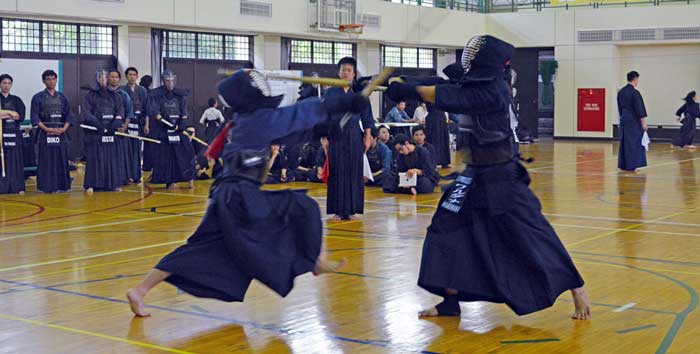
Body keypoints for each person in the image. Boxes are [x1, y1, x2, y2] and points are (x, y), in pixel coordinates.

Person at [126, 69, 368, 317]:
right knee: (301, 206)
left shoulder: (245, 120)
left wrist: (323, 129)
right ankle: (313, 261)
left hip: (226, 195)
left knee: (197, 248)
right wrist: (344, 99)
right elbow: (297, 115)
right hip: (239, 196)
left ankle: (140, 290)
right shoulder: (257, 120)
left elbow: (289, 131)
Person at [385, 35, 590, 320]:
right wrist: (396, 79)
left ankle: (575, 285)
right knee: (444, 227)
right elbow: (445, 84)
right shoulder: (479, 83)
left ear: (487, 59)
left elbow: (450, 96)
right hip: (471, 177)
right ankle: (450, 302)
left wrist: (406, 90)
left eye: (474, 52)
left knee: (531, 232)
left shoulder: (493, 90)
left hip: (502, 177)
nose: (468, 56)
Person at [324, 57, 375, 220]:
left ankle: (352, 209)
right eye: (343, 70)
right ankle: (338, 210)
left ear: (353, 74)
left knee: (354, 171)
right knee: (337, 171)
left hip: (354, 135)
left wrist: (367, 136)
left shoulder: (359, 93)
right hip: (335, 135)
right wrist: (323, 138)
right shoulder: (330, 93)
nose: (346, 73)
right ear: (339, 73)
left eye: (349, 70)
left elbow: (367, 117)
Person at [146, 69, 196, 190]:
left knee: (186, 154)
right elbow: (156, 114)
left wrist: (182, 124)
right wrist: (169, 124)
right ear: (163, 81)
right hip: (163, 131)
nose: (170, 83)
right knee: (167, 157)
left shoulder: (181, 96)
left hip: (179, 130)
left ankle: (189, 180)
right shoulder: (155, 95)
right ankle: (170, 181)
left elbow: (184, 113)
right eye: (167, 80)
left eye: (172, 80)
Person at [30, 70, 74, 193]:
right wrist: (47, 129)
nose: (51, 81)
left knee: (61, 159)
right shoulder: (37, 97)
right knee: (46, 160)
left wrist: (64, 128)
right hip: (45, 133)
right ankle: (46, 186)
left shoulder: (62, 97)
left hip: (61, 133)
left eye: (53, 78)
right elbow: (35, 117)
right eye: (48, 79)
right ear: (44, 81)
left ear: (56, 80)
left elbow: (69, 115)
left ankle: (62, 186)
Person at [82, 70, 125, 194]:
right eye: (100, 78)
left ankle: (113, 184)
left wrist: (114, 126)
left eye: (105, 77)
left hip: (111, 131)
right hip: (96, 132)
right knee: (95, 158)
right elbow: (87, 113)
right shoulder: (90, 95)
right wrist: (98, 125)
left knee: (112, 158)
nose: (103, 80)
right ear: (96, 79)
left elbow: (120, 113)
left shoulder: (116, 96)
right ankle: (91, 185)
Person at [0, 74, 26, 194]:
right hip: (1, 134)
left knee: (15, 160)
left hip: (14, 134)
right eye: (4, 83)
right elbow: (13, 114)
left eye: (9, 83)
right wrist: (10, 112)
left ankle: (17, 186)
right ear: (0, 84)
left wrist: (4, 115)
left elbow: (19, 116)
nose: (6, 85)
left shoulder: (17, 100)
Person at [122, 67, 149, 184]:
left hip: (139, 123)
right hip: (127, 123)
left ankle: (136, 176)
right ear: (126, 76)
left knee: (137, 150)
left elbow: (147, 109)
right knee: (126, 150)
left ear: (137, 76)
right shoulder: (122, 90)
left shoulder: (142, 90)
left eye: (134, 74)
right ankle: (127, 176)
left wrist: (146, 125)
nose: (132, 76)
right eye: (129, 74)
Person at [617, 71, 648, 172]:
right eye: (638, 79)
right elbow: (640, 108)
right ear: (635, 79)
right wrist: (643, 122)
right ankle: (632, 165)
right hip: (633, 119)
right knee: (633, 142)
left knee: (624, 141)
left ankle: (623, 165)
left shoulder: (621, 92)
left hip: (624, 118)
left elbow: (619, 108)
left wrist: (622, 118)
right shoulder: (635, 93)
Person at [108, 69, 135, 186]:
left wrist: (125, 126)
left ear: (119, 79)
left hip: (121, 130)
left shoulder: (124, 95)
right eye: (112, 77)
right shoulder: (104, 93)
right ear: (108, 79)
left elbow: (129, 112)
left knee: (123, 154)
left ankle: (125, 177)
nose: (114, 79)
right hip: (108, 130)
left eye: (116, 77)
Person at [424, 103, 451, 168]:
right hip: (434, 117)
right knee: (434, 140)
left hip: (440, 117)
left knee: (442, 140)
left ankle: (444, 162)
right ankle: (434, 162)